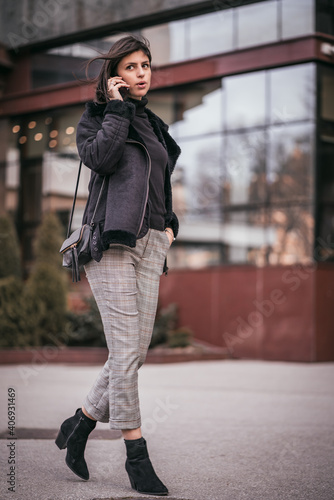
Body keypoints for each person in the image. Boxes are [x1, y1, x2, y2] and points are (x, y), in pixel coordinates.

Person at [55, 34, 180, 497]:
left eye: (146, 64)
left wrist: (170, 226)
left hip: (150, 245)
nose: (142, 72)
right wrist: (116, 108)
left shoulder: (156, 125)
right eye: (131, 66)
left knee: (134, 352)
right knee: (127, 352)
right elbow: (101, 159)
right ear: (114, 77)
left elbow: (160, 181)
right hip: (109, 243)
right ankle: (136, 455)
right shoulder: (97, 120)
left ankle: (80, 424)